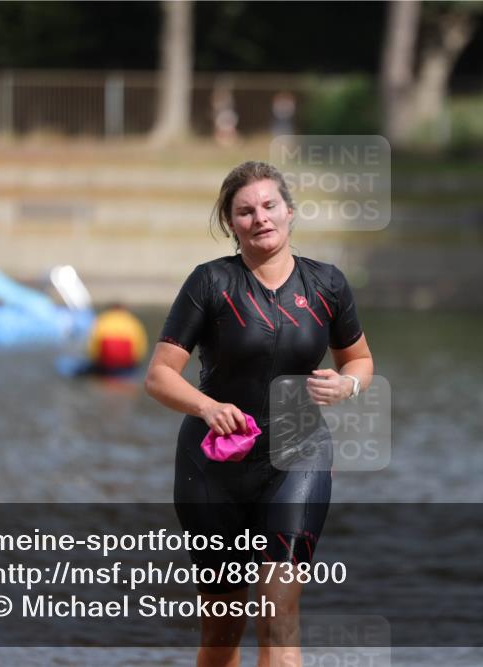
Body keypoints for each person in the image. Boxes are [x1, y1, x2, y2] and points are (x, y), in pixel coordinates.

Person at [144, 160, 374, 667]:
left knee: (277, 612)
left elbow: (359, 358)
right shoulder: (210, 283)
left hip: (299, 455)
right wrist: (207, 406)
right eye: (245, 211)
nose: (260, 218)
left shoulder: (327, 285)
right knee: (223, 630)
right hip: (212, 469)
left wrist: (348, 383)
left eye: (269, 206)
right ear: (231, 224)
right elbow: (159, 375)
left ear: (289, 212)